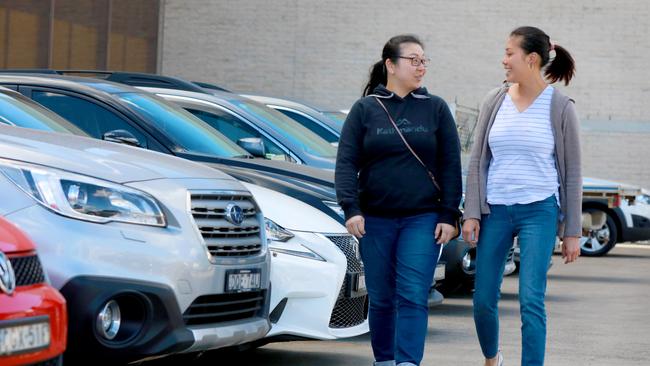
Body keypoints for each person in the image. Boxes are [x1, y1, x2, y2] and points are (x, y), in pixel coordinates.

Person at [335, 34, 462, 366]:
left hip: (422, 218)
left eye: (424, 60)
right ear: (390, 65)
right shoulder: (365, 110)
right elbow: (346, 162)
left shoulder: (435, 108)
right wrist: (351, 208)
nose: (421, 67)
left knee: (412, 293)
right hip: (375, 219)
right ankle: (385, 361)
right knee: (381, 297)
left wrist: (449, 214)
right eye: (413, 60)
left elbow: (451, 164)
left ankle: (407, 362)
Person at [462, 26, 582, 366]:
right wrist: (472, 211)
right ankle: (492, 357)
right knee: (483, 298)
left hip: (540, 211)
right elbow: (477, 160)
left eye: (509, 53)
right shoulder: (494, 100)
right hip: (495, 210)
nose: (504, 60)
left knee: (532, 299)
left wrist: (572, 231)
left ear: (531, 59)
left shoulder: (560, 107)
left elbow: (573, 172)